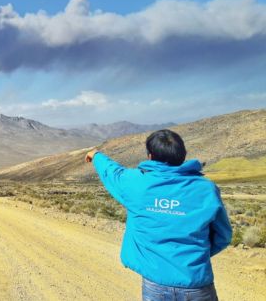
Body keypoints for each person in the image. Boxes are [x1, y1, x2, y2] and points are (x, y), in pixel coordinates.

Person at [85, 129, 232, 301]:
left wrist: (96, 155)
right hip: (197, 283)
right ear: (183, 155)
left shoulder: (135, 184)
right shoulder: (206, 189)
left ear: (150, 156)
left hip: (155, 284)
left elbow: (112, 172)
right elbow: (223, 235)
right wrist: (194, 256)